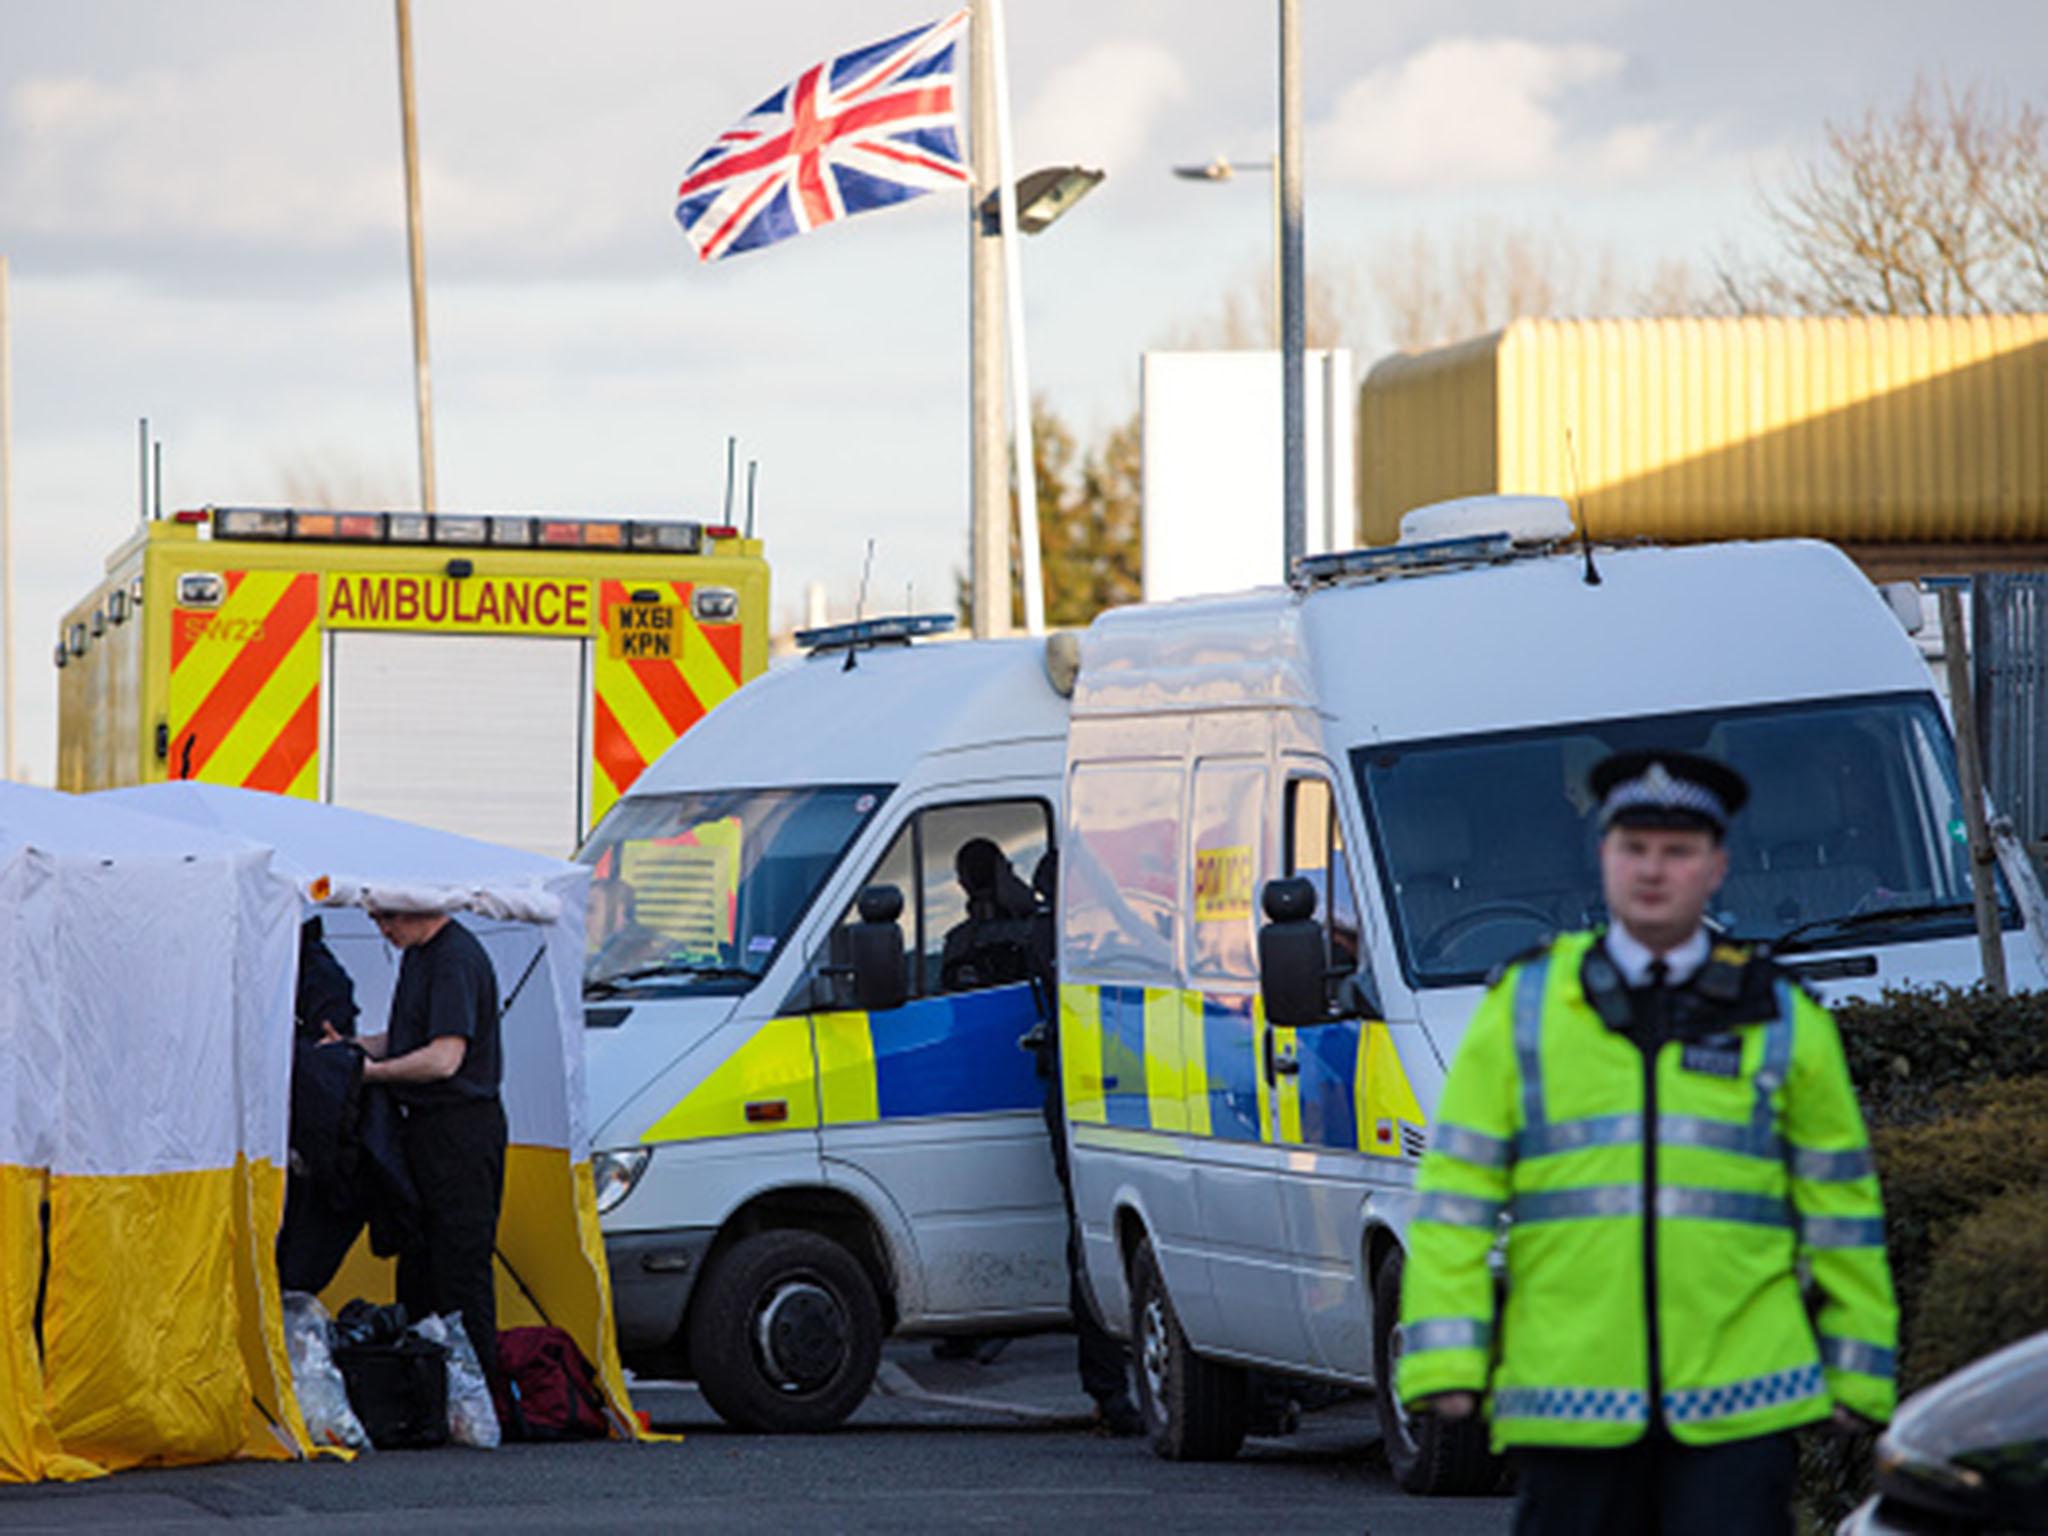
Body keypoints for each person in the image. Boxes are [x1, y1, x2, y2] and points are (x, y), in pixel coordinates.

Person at [1397, 750, 1898, 1536]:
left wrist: (1858, 1369)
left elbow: (1841, 1204)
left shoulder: (1780, 1014)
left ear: (1718, 867)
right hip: (1569, 1400)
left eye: (1678, 850)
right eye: (1634, 848)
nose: (1653, 870)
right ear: (1603, 857)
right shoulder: (1525, 1005)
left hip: (1741, 1403)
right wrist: (1444, 1359)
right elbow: (1455, 1197)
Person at [327, 905, 506, 1380]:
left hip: (461, 1132)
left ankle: (475, 1393)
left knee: (458, 1271)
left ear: (417, 906)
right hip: (426, 1131)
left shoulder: (454, 958)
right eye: (375, 920)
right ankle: (424, 1389)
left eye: (388, 918)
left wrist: (371, 1074)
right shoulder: (419, 955)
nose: (383, 930)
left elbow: (444, 1058)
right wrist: (349, 1047)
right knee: (418, 1265)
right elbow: (408, 1038)